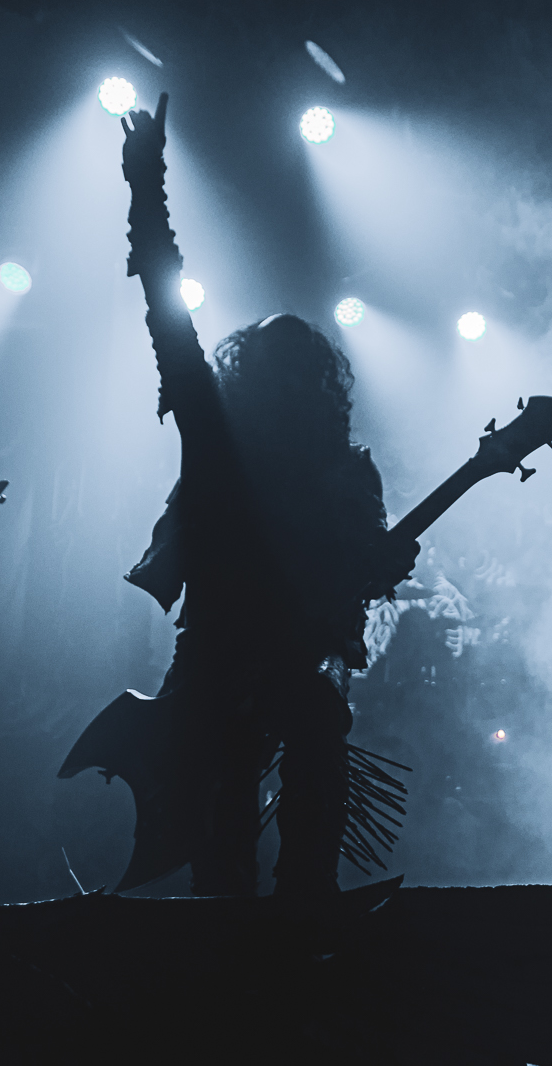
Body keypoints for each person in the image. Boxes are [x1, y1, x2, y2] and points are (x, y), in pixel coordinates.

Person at [80, 94, 416, 898]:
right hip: (218, 656)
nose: (285, 386)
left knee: (316, 726)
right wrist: (147, 187)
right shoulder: (216, 437)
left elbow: (363, 574)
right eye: (275, 371)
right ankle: (244, 914)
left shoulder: (347, 474)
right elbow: (167, 309)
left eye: (296, 374)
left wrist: (388, 562)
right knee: (226, 807)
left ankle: (305, 897)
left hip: (298, 657)